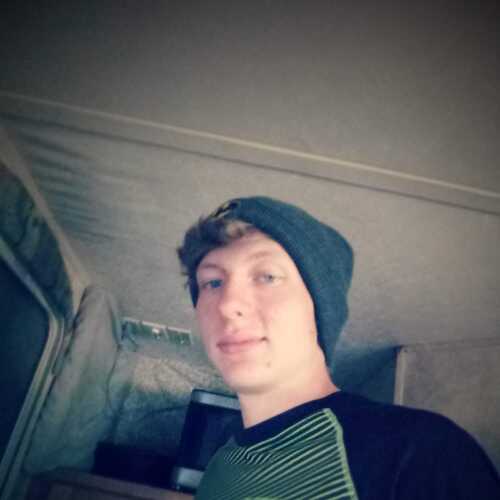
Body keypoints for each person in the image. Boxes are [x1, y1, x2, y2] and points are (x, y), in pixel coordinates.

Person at [177, 196, 500, 499]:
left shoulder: (421, 453)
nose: (228, 304)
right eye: (213, 282)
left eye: (267, 276)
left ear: (320, 309)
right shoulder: (219, 465)